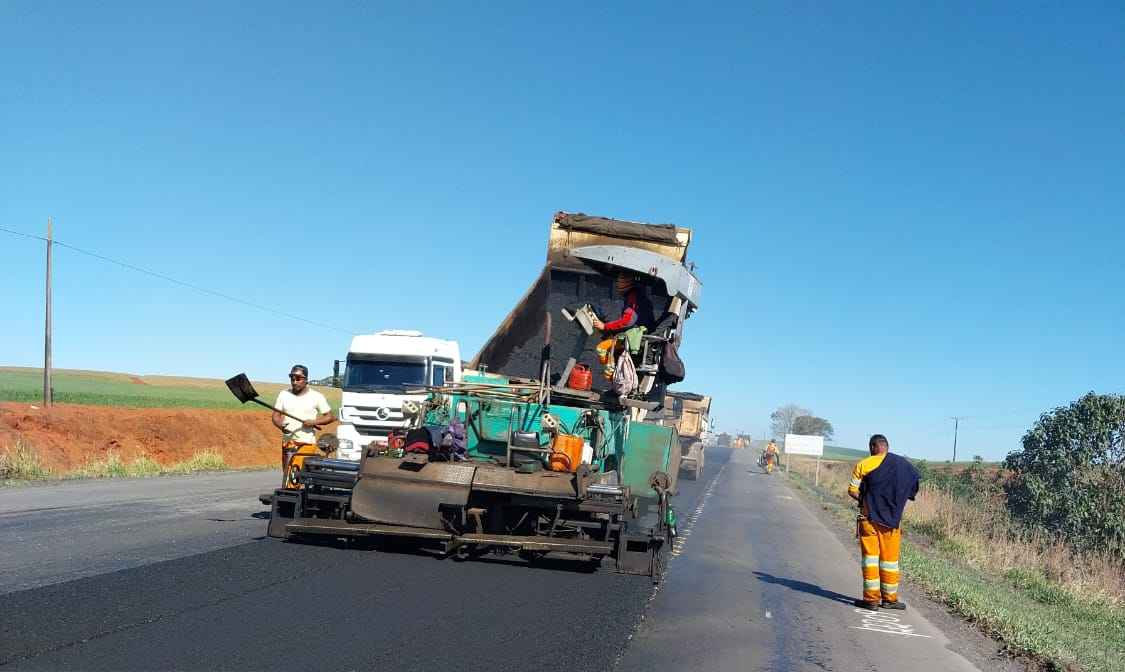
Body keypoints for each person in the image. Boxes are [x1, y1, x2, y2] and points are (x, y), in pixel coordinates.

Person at [847, 433, 921, 611]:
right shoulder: (904, 466)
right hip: (892, 522)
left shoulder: (863, 465)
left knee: (870, 560)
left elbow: (852, 490)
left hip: (869, 519)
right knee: (890, 562)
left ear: (873, 447)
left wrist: (864, 501)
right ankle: (890, 600)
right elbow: (913, 488)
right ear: (887, 447)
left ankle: (871, 600)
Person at [273, 365, 336, 486]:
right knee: (287, 475)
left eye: (298, 378)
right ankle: (290, 497)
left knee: (295, 476)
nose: (294, 382)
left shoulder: (317, 397)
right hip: (287, 442)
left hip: (306, 443)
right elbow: (275, 416)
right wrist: (280, 425)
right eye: (292, 378)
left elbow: (330, 417)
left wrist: (314, 422)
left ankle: (289, 498)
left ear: (306, 379)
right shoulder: (283, 394)